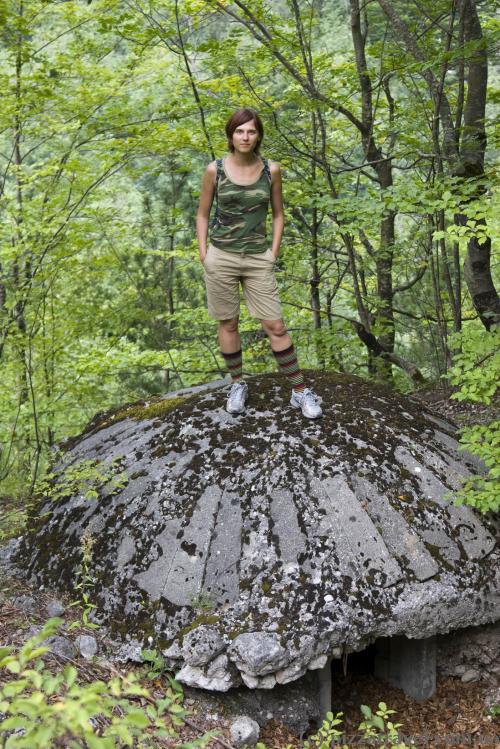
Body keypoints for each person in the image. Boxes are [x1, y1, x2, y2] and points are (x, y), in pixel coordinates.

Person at [196, 107, 322, 419]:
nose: (245, 136)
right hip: (221, 256)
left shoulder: (270, 170)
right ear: (230, 135)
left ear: (259, 135)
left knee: (275, 325)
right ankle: (238, 384)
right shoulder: (215, 170)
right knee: (228, 322)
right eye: (239, 131)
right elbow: (202, 213)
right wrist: (204, 254)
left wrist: (273, 253)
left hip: (257, 258)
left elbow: (279, 213)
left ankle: (300, 392)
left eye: (251, 131)